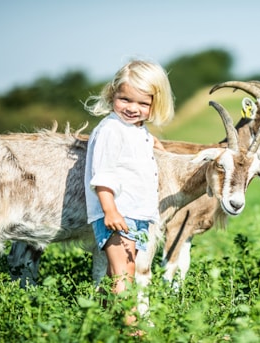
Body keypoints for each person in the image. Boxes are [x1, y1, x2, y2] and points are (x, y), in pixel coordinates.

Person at [84, 60, 175, 325]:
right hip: (118, 212)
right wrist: (109, 209)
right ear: (113, 95)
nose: (133, 108)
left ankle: (101, 319)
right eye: (125, 99)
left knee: (124, 269)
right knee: (124, 273)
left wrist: (149, 142)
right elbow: (103, 174)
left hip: (134, 213)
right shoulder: (111, 130)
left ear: (154, 105)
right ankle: (131, 326)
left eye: (143, 104)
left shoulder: (135, 130)